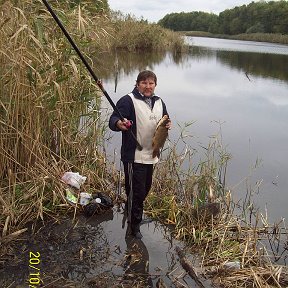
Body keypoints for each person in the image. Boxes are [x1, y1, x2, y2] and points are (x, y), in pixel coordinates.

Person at [109, 70, 171, 239]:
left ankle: (132, 212)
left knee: (144, 190)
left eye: (151, 83)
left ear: (155, 85)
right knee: (135, 192)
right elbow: (113, 120)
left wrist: (168, 124)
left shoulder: (159, 102)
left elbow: (165, 120)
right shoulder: (128, 100)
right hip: (134, 156)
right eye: (144, 83)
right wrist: (119, 124)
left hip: (152, 155)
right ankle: (133, 227)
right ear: (137, 84)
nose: (148, 86)